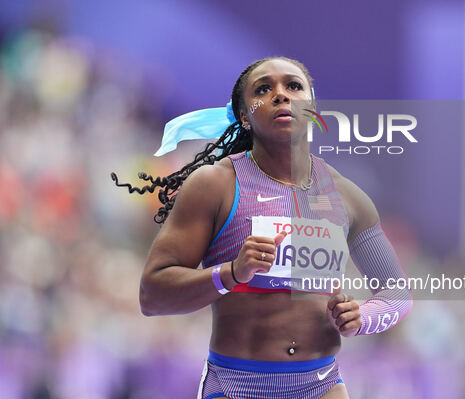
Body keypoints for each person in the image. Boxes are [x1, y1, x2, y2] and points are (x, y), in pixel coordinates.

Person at [112, 56, 412, 399]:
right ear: (244, 116)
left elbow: (397, 293)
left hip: (322, 385)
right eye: (264, 89)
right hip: (237, 387)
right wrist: (231, 273)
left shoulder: (347, 196)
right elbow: (152, 296)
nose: (281, 95)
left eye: (294, 86)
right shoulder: (215, 185)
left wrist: (362, 316)